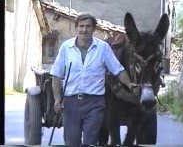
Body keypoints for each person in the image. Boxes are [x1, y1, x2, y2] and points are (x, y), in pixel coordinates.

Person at [50, 12, 138, 147]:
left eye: (88, 26)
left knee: (90, 142)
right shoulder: (66, 48)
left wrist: (130, 84)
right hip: (71, 103)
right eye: (81, 26)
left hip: (94, 103)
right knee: (72, 142)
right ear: (76, 28)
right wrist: (57, 99)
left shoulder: (103, 48)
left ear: (93, 29)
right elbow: (56, 74)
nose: (84, 30)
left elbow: (118, 70)